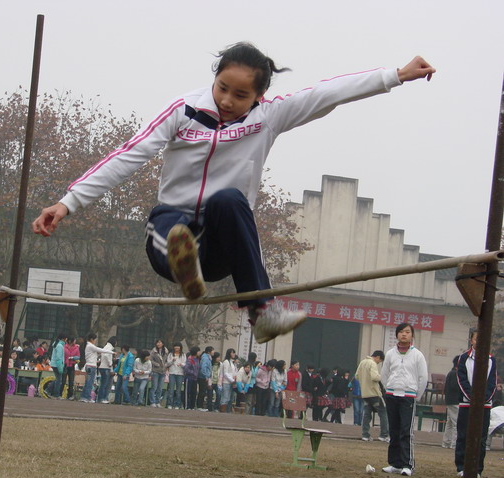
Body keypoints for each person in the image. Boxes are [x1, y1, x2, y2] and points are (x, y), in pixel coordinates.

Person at [31, 43, 434, 345]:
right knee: (173, 227)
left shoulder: (269, 116)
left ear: (258, 96)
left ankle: (262, 313)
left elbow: (326, 94)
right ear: (215, 78)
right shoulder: (183, 111)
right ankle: (181, 260)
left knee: (229, 200)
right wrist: (68, 203)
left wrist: (395, 75)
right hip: (172, 224)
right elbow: (129, 155)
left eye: (240, 96)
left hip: (220, 243)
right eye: (222, 88)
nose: (226, 100)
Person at [380, 323, 428, 477]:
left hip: (408, 397)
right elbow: (384, 374)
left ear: (412, 335)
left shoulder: (417, 355)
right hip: (392, 395)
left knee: (405, 431)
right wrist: (389, 389)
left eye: (407, 332)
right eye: (401, 332)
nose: (404, 335)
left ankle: (407, 464)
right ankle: (394, 463)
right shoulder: (390, 354)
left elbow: (423, 377)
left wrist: (416, 395)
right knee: (393, 430)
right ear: (397, 335)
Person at [455, 327, 498, 478]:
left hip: (484, 406)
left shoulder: (491, 359)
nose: (479, 342)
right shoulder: (463, 358)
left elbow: (492, 382)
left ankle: (477, 469)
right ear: (471, 340)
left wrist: (483, 398)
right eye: (476, 339)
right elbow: (461, 379)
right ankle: (461, 466)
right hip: (467, 404)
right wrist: (472, 397)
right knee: (463, 435)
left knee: (481, 438)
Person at [356, 351, 389, 441]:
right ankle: (384, 435)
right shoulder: (372, 363)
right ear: (377, 357)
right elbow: (375, 377)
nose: (379, 363)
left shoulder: (362, 362)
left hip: (365, 394)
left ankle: (365, 435)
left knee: (367, 414)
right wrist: (382, 376)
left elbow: (357, 376)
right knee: (383, 413)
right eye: (380, 361)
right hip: (374, 393)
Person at [80, 333, 114, 403]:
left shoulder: (88, 346)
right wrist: (111, 352)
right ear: (92, 339)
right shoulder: (90, 345)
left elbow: (96, 353)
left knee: (87, 382)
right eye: (95, 339)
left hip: (88, 365)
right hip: (91, 366)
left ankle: (84, 397)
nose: (95, 341)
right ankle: (87, 397)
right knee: (90, 383)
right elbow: (101, 350)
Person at [442, 355, 461, 449]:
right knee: (456, 423)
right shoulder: (455, 374)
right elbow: (455, 387)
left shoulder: (451, 372)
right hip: (455, 401)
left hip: (450, 400)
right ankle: (454, 444)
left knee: (449, 422)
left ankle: (446, 442)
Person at [165, 343, 186, 409]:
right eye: (175, 348)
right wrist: (172, 360)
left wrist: (181, 364)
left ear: (180, 348)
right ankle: (169, 404)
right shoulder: (171, 354)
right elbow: (167, 363)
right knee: (171, 389)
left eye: (178, 348)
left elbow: (185, 363)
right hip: (172, 373)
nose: (177, 349)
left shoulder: (183, 354)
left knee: (178, 390)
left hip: (180, 373)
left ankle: (177, 404)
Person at [149, 339, 168, 408]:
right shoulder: (154, 351)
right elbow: (150, 359)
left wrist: (166, 365)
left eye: (160, 342)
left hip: (163, 371)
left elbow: (167, 360)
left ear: (163, 343)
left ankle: (157, 402)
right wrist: (156, 364)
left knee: (160, 388)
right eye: (157, 342)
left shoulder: (165, 351)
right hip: (155, 371)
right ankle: (152, 401)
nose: (158, 344)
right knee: (154, 387)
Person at [97, 336, 116, 404]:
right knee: (104, 384)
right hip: (105, 367)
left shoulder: (106, 346)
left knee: (103, 384)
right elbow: (106, 355)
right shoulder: (109, 347)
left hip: (103, 367)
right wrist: (110, 363)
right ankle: (102, 398)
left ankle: (100, 398)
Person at [197, 346, 214, 411]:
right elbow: (203, 368)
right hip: (202, 377)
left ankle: (200, 406)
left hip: (204, 377)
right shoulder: (205, 358)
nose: (213, 352)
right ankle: (199, 406)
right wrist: (206, 376)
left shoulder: (208, 358)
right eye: (212, 350)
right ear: (209, 351)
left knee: (203, 392)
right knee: (202, 391)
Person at [63, 336, 80, 401]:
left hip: (72, 365)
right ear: (70, 341)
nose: (75, 342)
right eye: (74, 340)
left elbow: (78, 356)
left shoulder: (76, 348)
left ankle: (70, 395)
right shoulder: (64, 347)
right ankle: (60, 393)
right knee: (63, 380)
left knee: (71, 381)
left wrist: (73, 358)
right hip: (65, 365)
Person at [49, 334, 66, 399]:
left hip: (54, 364)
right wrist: (60, 367)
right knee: (59, 380)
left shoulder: (56, 344)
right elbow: (59, 358)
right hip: (57, 364)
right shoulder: (60, 346)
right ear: (63, 339)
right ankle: (56, 394)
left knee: (58, 379)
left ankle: (48, 390)